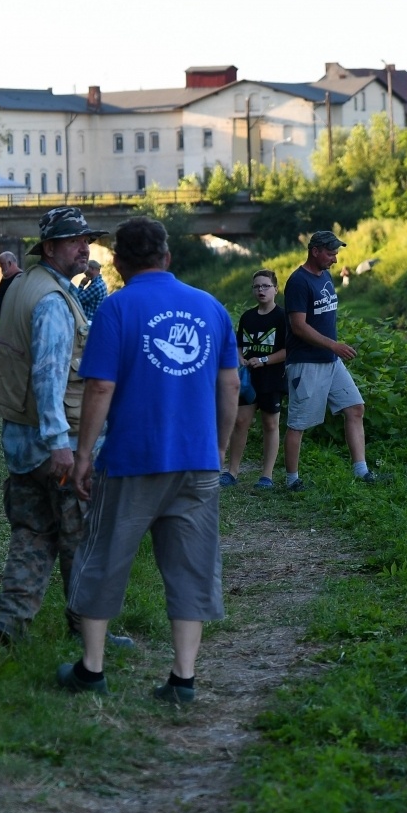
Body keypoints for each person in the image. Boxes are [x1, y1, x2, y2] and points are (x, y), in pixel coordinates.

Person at [60, 216, 239, 704]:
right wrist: (219, 449)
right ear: (167, 256)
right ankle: (183, 678)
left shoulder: (116, 310)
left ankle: (92, 669)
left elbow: (99, 387)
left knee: (104, 558)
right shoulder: (212, 308)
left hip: (132, 459)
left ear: (118, 262)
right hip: (197, 462)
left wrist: (82, 457)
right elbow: (230, 386)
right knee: (192, 568)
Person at [0, 208, 135, 648]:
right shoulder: (52, 301)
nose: (84, 248)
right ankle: (88, 631)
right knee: (82, 540)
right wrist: (60, 446)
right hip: (57, 444)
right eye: (74, 241)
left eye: (87, 240)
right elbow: (48, 375)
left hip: (22, 443)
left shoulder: (26, 286)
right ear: (50, 248)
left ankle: (8, 625)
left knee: (32, 534)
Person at [281, 231, 385, 490]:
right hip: (306, 362)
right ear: (314, 250)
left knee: (355, 408)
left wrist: (333, 349)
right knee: (298, 423)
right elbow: (299, 327)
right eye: (330, 253)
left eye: (336, 253)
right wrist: (334, 345)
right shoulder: (298, 282)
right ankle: (292, 480)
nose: (335, 259)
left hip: (330, 360)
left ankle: (361, 471)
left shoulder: (325, 276)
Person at [221, 269, 289, 488]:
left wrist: (265, 360)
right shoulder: (247, 317)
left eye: (265, 286)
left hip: (272, 378)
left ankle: (266, 476)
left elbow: (289, 350)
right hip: (248, 379)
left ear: (276, 289)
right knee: (240, 422)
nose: (261, 290)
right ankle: (232, 472)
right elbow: (239, 345)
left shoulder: (282, 317)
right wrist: (240, 357)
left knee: (270, 424)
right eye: (257, 286)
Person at [0, 251, 21, 320]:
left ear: (9, 263)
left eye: (2, 263)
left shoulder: (20, 278)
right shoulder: (6, 277)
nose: (0, 266)